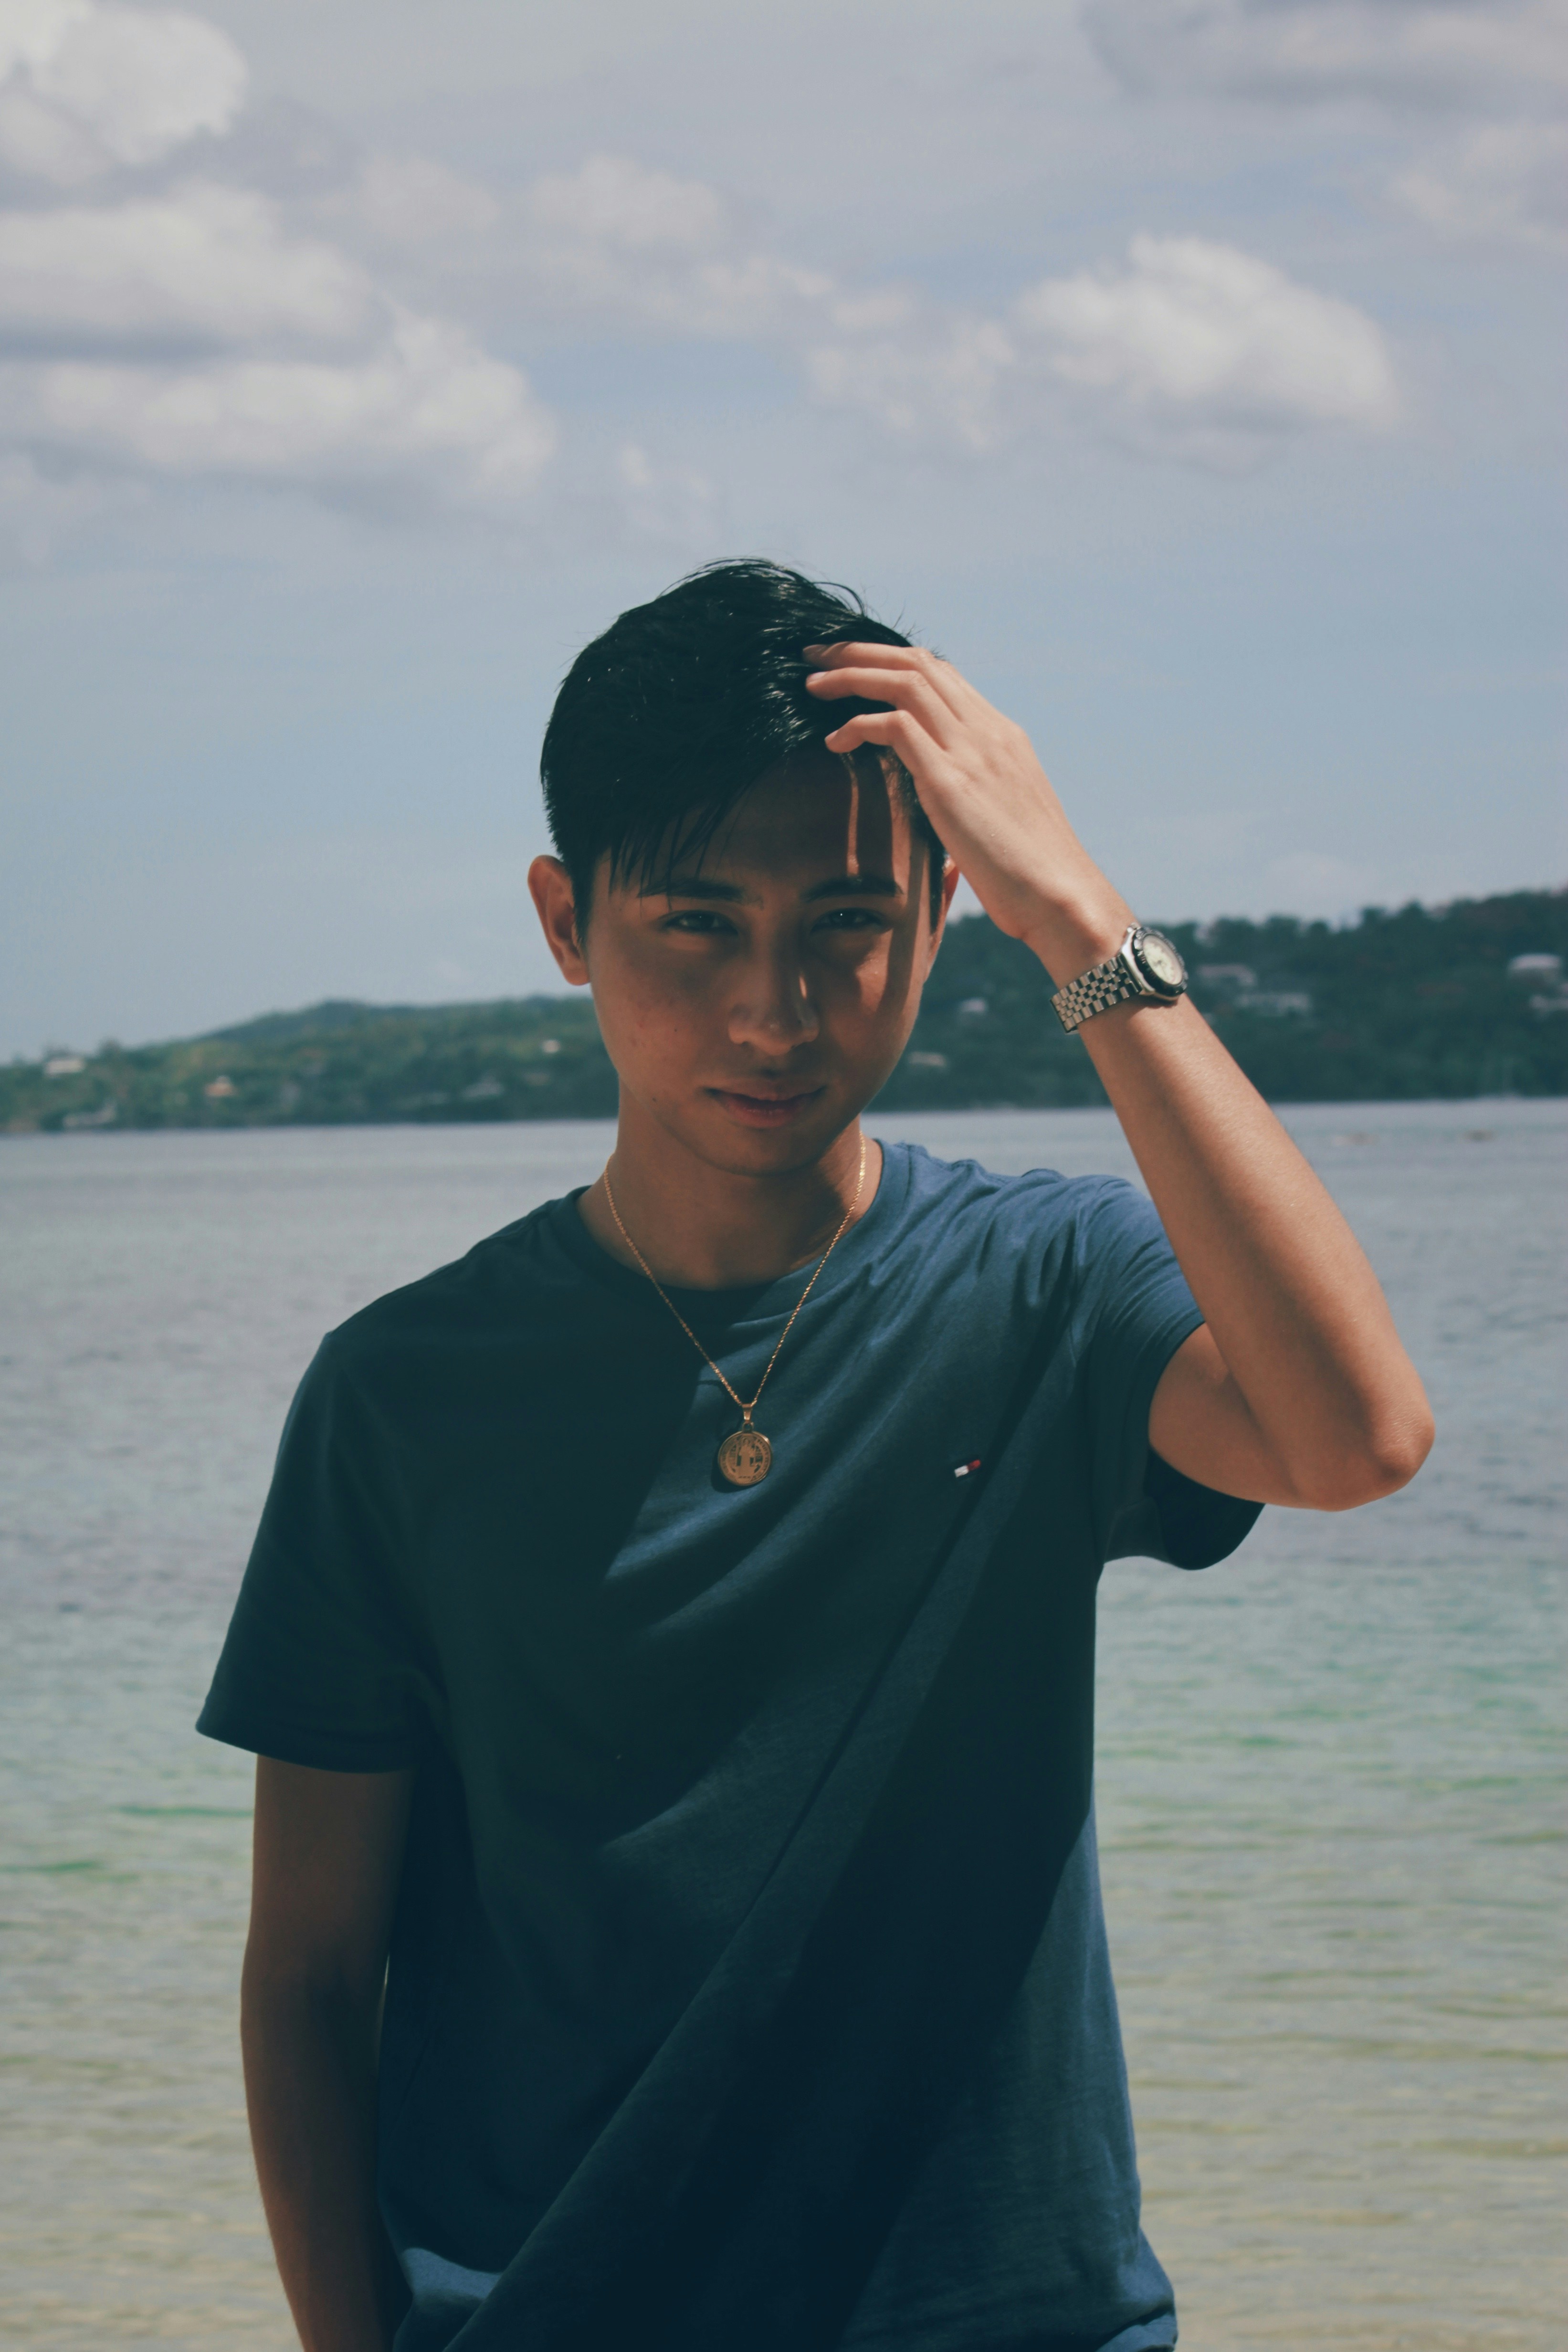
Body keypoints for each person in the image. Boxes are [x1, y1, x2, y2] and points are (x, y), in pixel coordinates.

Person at [199, 560, 1433, 2352]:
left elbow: (1358, 1437)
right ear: (565, 920)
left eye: (847, 920)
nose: (773, 1011)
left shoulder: (1046, 1287)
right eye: (695, 924)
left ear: (944, 917)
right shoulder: (403, 1395)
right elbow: (313, 1975)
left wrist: (1081, 915)